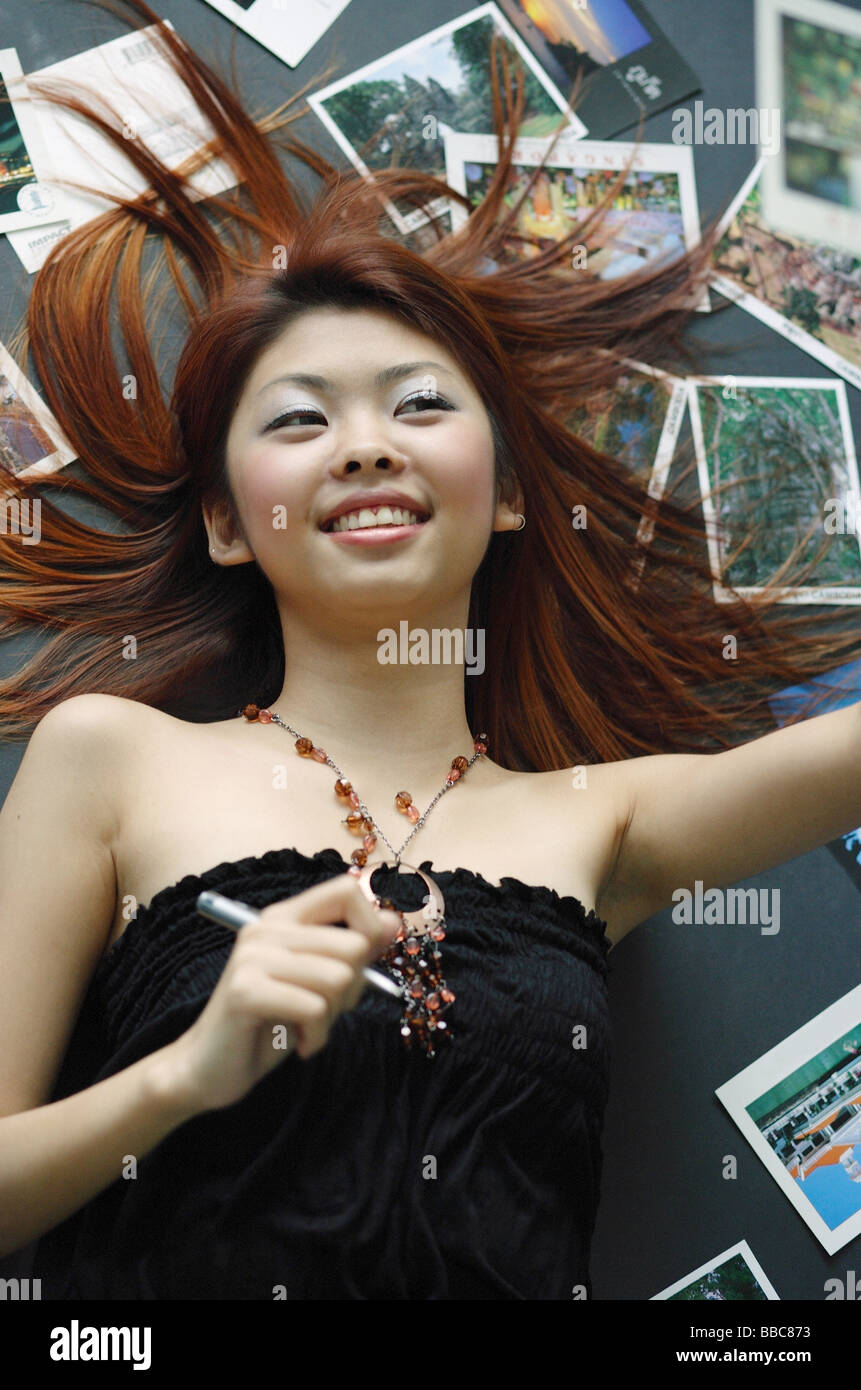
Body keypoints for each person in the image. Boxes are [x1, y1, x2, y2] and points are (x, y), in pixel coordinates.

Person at [0, 0, 858, 1299]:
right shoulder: (107, 761)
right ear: (230, 524)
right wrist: (185, 1071)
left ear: (506, 492)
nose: (363, 443)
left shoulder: (603, 819)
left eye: (415, 404)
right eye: (297, 418)